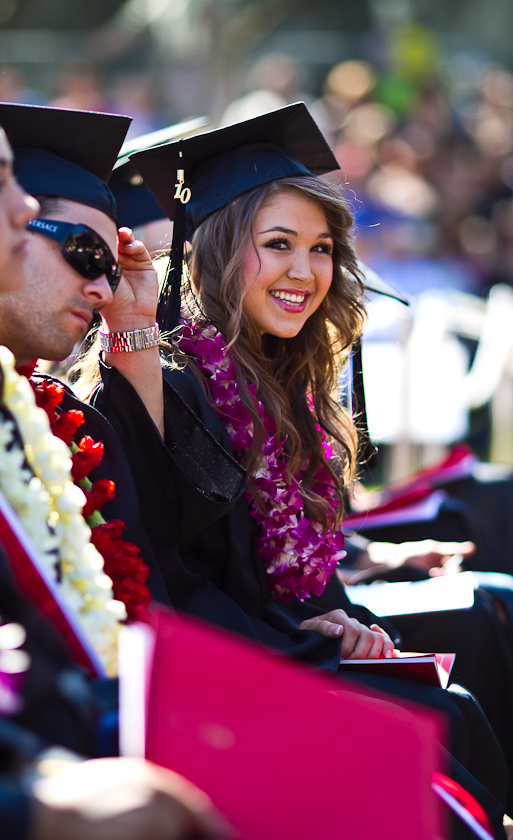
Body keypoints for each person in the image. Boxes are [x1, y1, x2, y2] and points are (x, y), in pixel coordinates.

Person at [74, 102, 513, 838]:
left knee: (459, 681)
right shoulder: (177, 380)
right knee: (444, 711)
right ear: (217, 247)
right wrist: (301, 627)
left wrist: (326, 609)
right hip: (211, 660)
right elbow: (173, 553)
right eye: (278, 244)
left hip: (272, 630)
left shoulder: (278, 372)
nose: (306, 270)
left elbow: (284, 553)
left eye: (322, 248)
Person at [0, 110, 231, 840]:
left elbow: (169, 553)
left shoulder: (53, 421)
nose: (103, 284)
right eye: (81, 252)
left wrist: (134, 333)